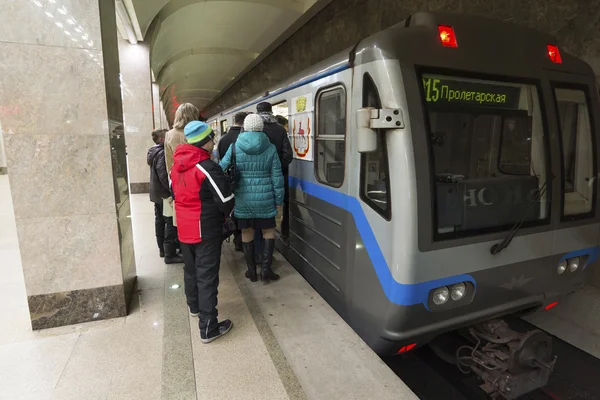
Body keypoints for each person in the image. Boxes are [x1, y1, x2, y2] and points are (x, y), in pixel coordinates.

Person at [171, 120, 234, 343]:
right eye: (212, 138)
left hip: (184, 227)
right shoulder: (206, 167)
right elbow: (226, 201)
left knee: (191, 270)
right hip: (205, 229)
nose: (213, 142)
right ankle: (208, 328)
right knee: (207, 276)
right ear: (205, 141)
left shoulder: (178, 163)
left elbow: (175, 192)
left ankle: (194, 307)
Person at [220, 114, 284, 282]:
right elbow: (277, 177)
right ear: (261, 128)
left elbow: (222, 167)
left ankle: (251, 272)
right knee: (268, 231)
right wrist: (279, 200)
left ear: (245, 127)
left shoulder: (235, 146)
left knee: (247, 231)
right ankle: (265, 270)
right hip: (266, 198)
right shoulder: (270, 148)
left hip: (243, 198)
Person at [147, 129, 184, 264]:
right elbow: (164, 176)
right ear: (162, 140)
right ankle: (169, 252)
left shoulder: (153, 151)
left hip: (157, 193)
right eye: (166, 137)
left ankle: (162, 248)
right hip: (164, 194)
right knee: (169, 222)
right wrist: (171, 191)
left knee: (160, 221)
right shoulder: (162, 153)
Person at [217, 112, 248, 252]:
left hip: (230, 181)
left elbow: (221, 162)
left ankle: (237, 238)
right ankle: (244, 239)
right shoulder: (245, 138)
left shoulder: (223, 139)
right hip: (246, 182)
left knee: (234, 210)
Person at [165, 103, 199, 228]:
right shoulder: (198, 132)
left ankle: (184, 243)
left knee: (181, 217)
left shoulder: (169, 135)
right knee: (198, 215)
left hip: (178, 180)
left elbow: (168, 162)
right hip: (197, 178)